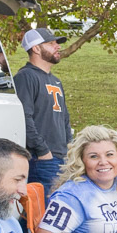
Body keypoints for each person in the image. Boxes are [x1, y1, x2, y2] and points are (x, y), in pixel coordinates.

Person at [13, 27, 72, 192]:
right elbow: (24, 117)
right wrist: (43, 150)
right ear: (36, 48)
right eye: (51, 43)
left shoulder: (56, 81)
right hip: (42, 160)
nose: (57, 46)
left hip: (61, 157)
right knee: (42, 213)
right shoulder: (25, 77)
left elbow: (64, 118)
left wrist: (70, 148)